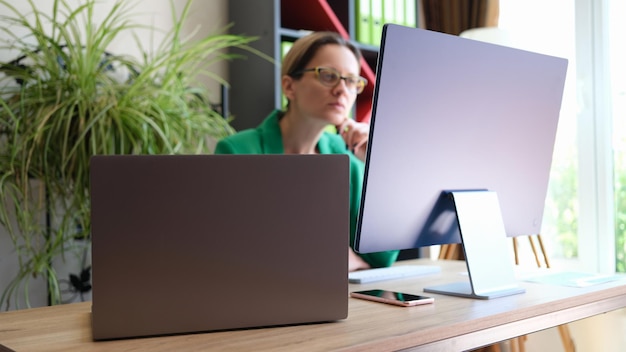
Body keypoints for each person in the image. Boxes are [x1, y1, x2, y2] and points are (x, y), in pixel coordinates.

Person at [214, 31, 399, 271]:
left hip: (343, 298)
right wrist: (331, 257)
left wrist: (375, 167)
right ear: (289, 86)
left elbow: (382, 256)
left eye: (352, 81)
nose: (342, 90)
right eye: (329, 76)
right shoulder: (237, 151)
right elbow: (230, 252)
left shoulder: (347, 157)